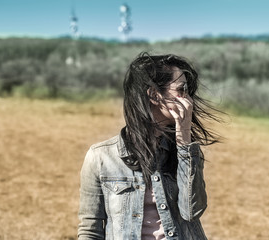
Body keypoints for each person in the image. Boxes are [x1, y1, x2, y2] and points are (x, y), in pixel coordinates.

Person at [78, 52, 223, 240]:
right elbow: (90, 231)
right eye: (182, 90)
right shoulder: (100, 157)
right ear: (155, 95)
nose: (189, 100)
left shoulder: (186, 152)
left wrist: (184, 140)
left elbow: (191, 212)